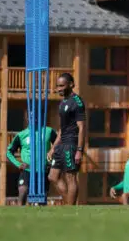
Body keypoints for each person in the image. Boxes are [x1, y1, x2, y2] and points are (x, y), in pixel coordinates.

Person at [47, 72, 85, 205]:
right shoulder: (63, 103)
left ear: (71, 85)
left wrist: (79, 150)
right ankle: (69, 204)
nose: (59, 89)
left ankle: (70, 208)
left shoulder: (77, 102)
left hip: (71, 144)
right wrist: (53, 148)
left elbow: (82, 127)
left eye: (62, 86)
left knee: (70, 177)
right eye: (58, 86)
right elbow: (62, 128)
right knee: (52, 176)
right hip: (61, 144)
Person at [6, 111, 57, 205]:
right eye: (31, 117)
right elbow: (9, 152)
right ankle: (19, 213)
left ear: (40, 117)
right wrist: (18, 164)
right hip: (27, 170)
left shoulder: (48, 131)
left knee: (42, 199)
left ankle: (41, 213)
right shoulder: (21, 135)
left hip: (43, 170)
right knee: (23, 191)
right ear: (27, 119)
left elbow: (58, 146)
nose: (34, 119)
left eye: (36, 117)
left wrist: (53, 162)